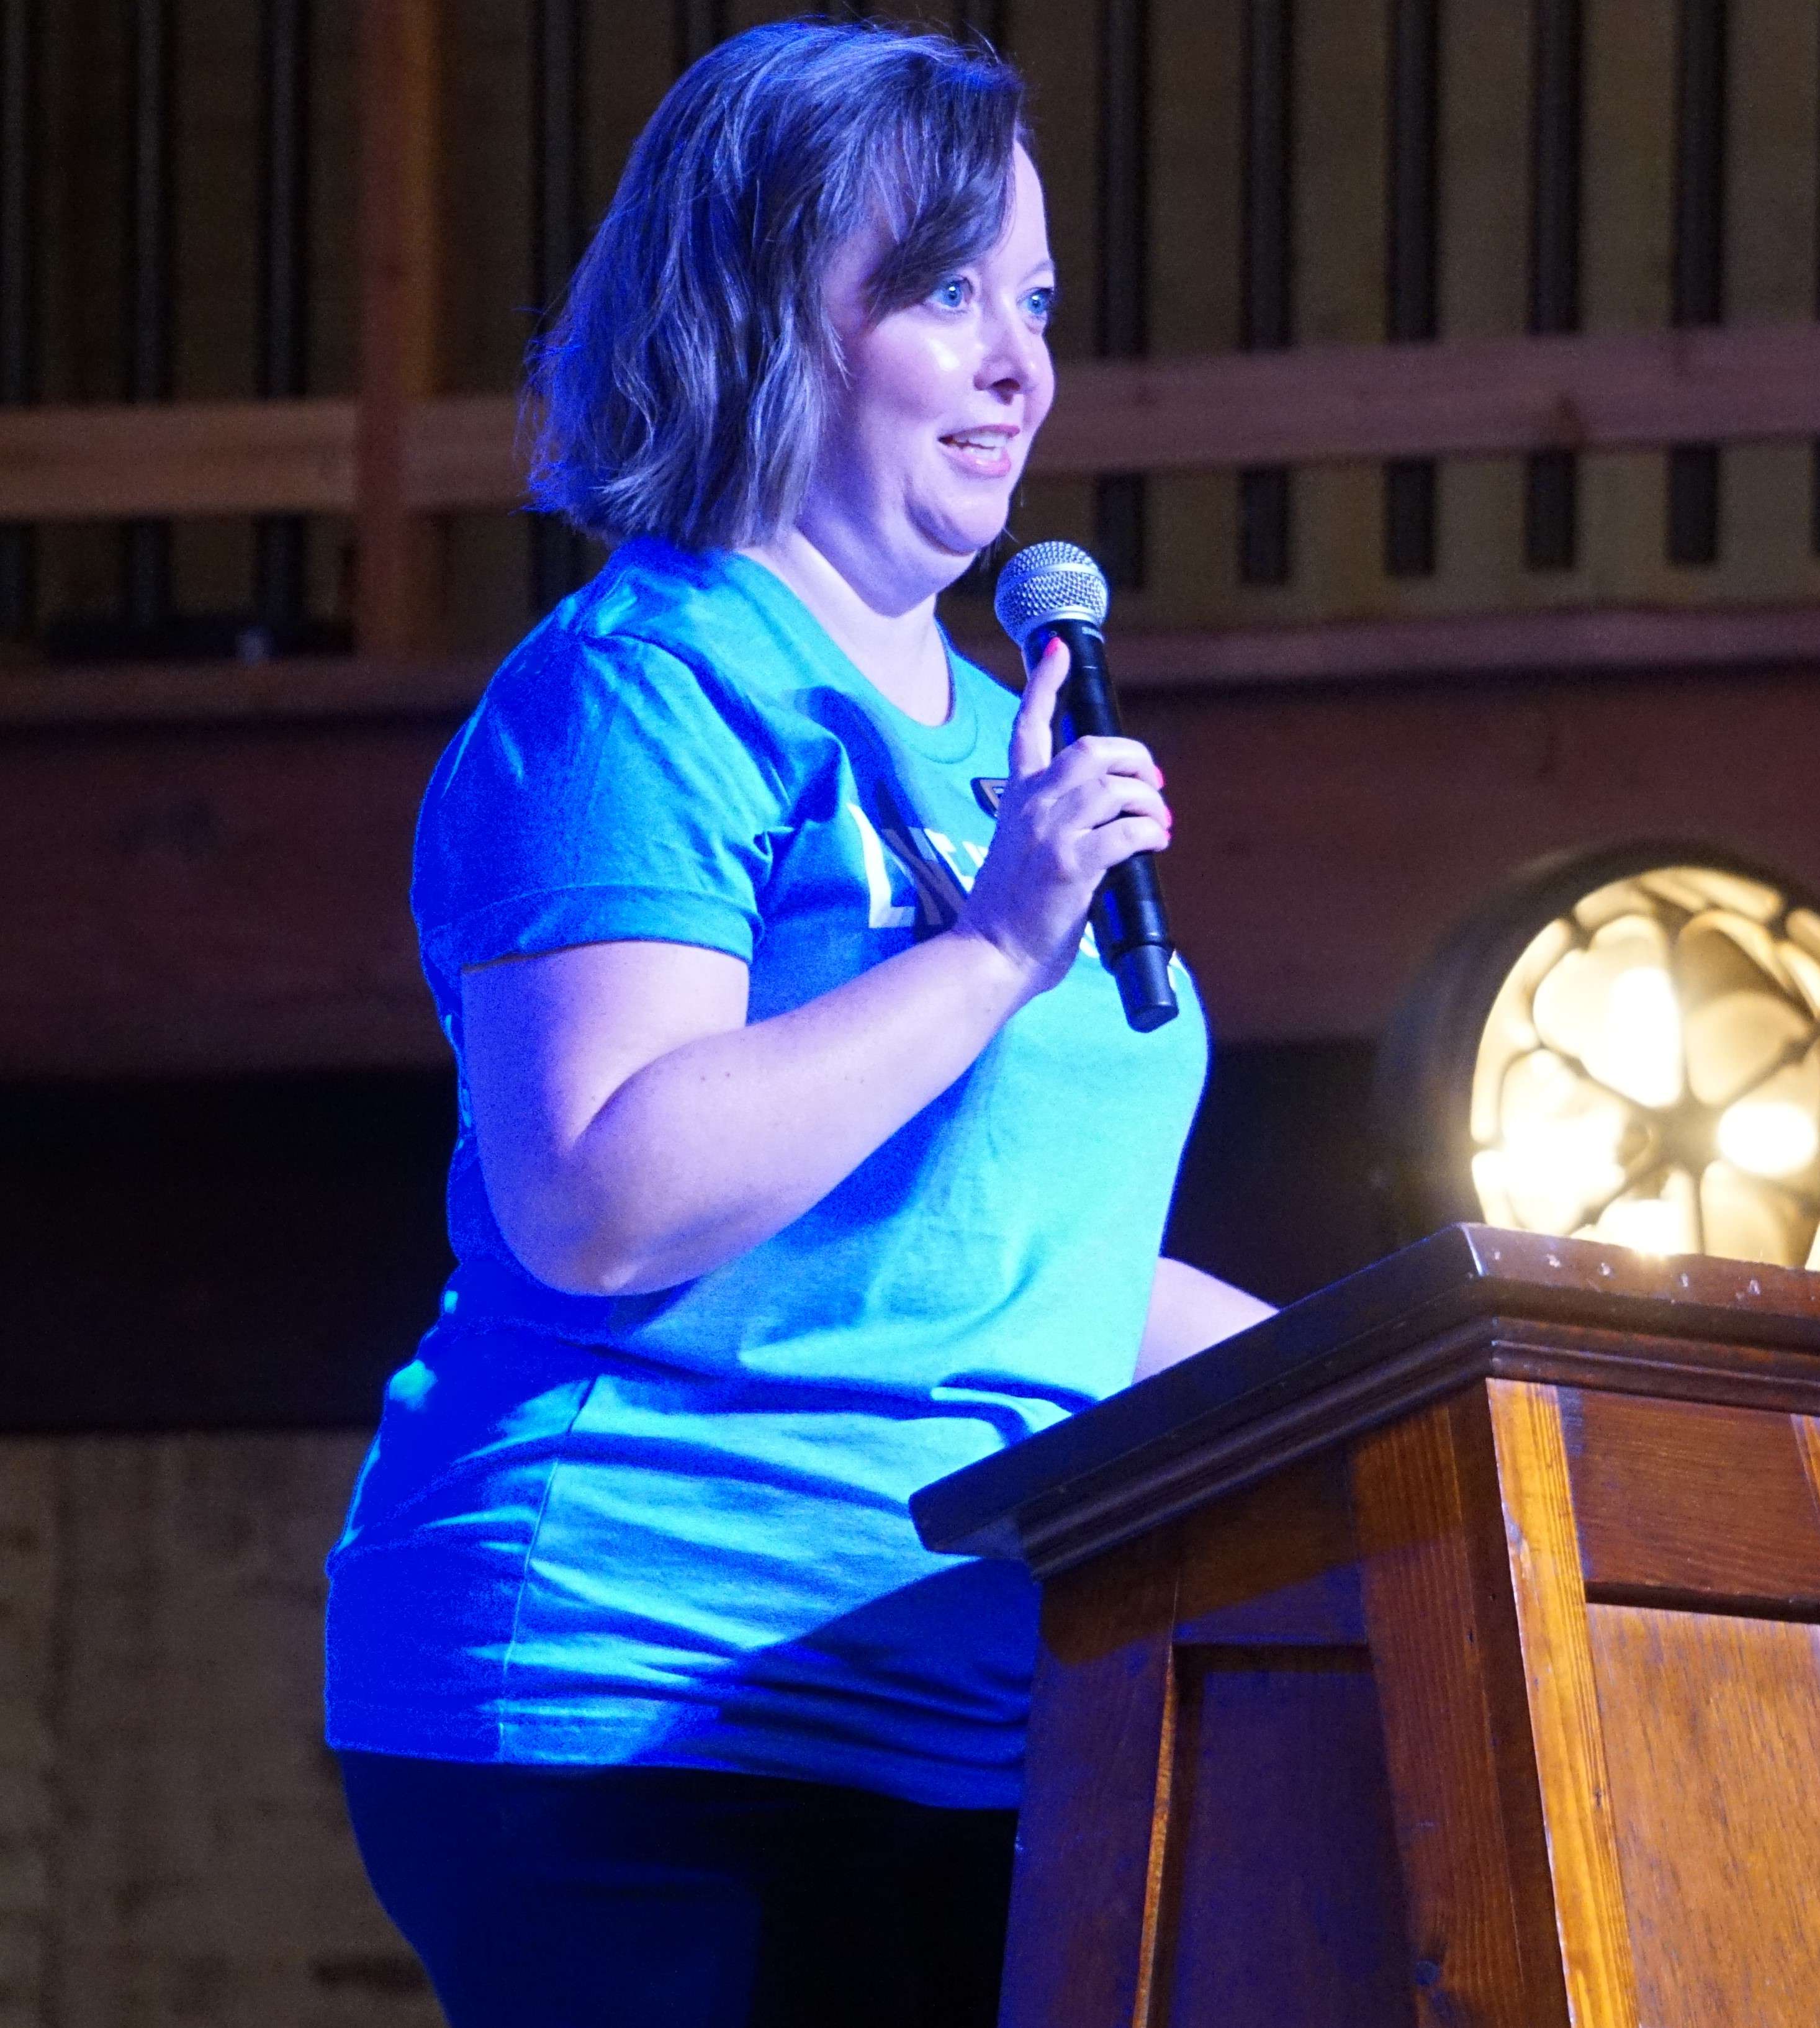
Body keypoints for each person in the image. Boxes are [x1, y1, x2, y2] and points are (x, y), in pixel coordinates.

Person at [323, 23, 1273, 2028]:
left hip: (959, 1713)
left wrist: (1450, 1365)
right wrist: (1002, 940)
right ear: (765, 314)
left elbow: (1023, 1266)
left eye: (1034, 299)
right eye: (945, 293)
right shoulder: (638, 695)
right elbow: (601, 1192)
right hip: (638, 1708)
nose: (1023, 362)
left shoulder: (976, 734)